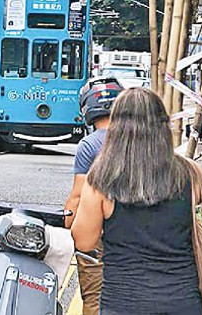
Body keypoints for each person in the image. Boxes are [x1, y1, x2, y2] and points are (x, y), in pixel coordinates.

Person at [72, 88, 202, 315]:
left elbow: (84, 241)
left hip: (123, 304)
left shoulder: (101, 180)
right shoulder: (190, 173)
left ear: (116, 129)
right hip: (182, 302)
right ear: (163, 126)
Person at [63, 77, 123, 315]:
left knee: (94, 298)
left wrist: (65, 224)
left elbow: (78, 196)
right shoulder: (139, 141)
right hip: (137, 236)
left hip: (99, 234)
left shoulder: (89, 145)